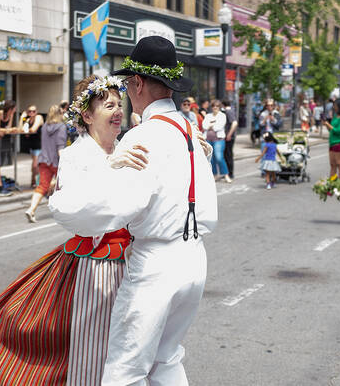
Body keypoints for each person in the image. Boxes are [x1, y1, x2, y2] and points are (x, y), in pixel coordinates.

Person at [50, 36, 217, 386]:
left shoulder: (144, 136)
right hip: (195, 259)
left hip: (157, 262)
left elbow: (113, 207)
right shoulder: (189, 129)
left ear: (138, 83)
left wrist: (62, 203)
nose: (124, 96)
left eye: (126, 86)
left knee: (125, 371)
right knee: (166, 359)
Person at [0, 75, 148, 385]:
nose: (118, 111)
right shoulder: (77, 155)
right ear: (87, 116)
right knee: (92, 349)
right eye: (109, 105)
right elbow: (70, 209)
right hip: (96, 266)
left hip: (131, 261)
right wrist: (112, 168)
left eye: (120, 104)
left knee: (130, 348)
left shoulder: (125, 146)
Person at [24, 103, 67, 222]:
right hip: (56, 162)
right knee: (64, 185)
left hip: (43, 159)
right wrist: (65, 163)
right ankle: (64, 212)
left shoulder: (44, 127)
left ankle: (31, 209)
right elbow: (60, 148)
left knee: (42, 186)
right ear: (60, 114)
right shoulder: (61, 127)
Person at [203, 99, 231, 183]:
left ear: (219, 107)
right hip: (208, 139)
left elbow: (219, 126)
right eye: (213, 106)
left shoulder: (222, 115)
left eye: (217, 106)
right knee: (211, 159)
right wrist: (211, 125)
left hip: (219, 139)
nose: (215, 107)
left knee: (219, 157)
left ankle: (226, 174)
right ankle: (214, 175)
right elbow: (204, 126)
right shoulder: (208, 116)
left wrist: (210, 126)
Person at [18, 105, 44, 188]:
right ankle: (34, 181)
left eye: (34, 111)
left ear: (37, 112)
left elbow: (33, 129)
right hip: (32, 145)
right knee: (35, 164)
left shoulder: (39, 117)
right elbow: (20, 129)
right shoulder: (28, 120)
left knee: (35, 165)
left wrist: (27, 131)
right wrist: (22, 117)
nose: (32, 113)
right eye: (29, 111)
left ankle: (36, 182)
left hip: (40, 144)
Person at [324, 99, 340, 180]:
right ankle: (332, 182)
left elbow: (338, 130)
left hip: (338, 142)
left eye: (335, 105)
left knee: (339, 163)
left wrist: (328, 125)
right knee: (332, 164)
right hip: (332, 142)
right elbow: (331, 130)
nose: (334, 107)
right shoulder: (335, 116)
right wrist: (326, 124)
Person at [223, 100, 238, 179]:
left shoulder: (228, 111)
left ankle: (230, 173)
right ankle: (228, 172)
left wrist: (229, 134)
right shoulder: (231, 110)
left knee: (228, 155)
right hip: (229, 136)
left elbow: (235, 123)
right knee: (227, 154)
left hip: (229, 137)